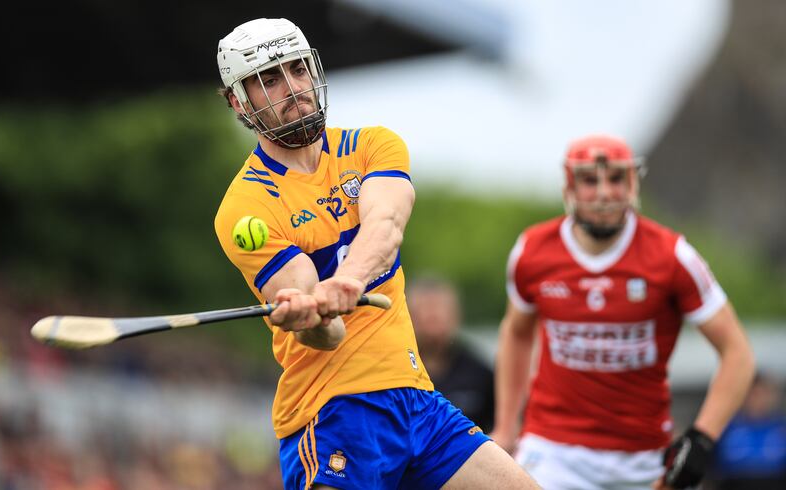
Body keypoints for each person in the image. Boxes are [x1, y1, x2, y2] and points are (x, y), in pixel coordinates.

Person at [213, 18, 538, 490]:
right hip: (333, 412)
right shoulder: (245, 208)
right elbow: (326, 334)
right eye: (269, 79)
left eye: (299, 69)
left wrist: (347, 281)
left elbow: (385, 224)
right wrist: (311, 316)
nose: (292, 88)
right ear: (237, 101)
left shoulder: (372, 146)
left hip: (418, 402)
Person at [491, 134, 756, 490]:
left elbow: (737, 352)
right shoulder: (532, 251)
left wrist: (702, 438)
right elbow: (516, 332)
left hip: (644, 457)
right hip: (553, 450)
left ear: (633, 182)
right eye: (589, 180)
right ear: (569, 186)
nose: (603, 192)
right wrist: (507, 426)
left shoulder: (673, 256)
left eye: (615, 178)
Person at [407, 276, 495, 432]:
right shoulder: (396, 374)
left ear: (457, 316)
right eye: (425, 309)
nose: (433, 317)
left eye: (440, 309)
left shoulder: (481, 374)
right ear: (408, 318)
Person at [709, 372, 786, 490]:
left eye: (763, 394)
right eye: (754, 394)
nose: (759, 400)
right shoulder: (726, 429)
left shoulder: (781, 429)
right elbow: (713, 470)